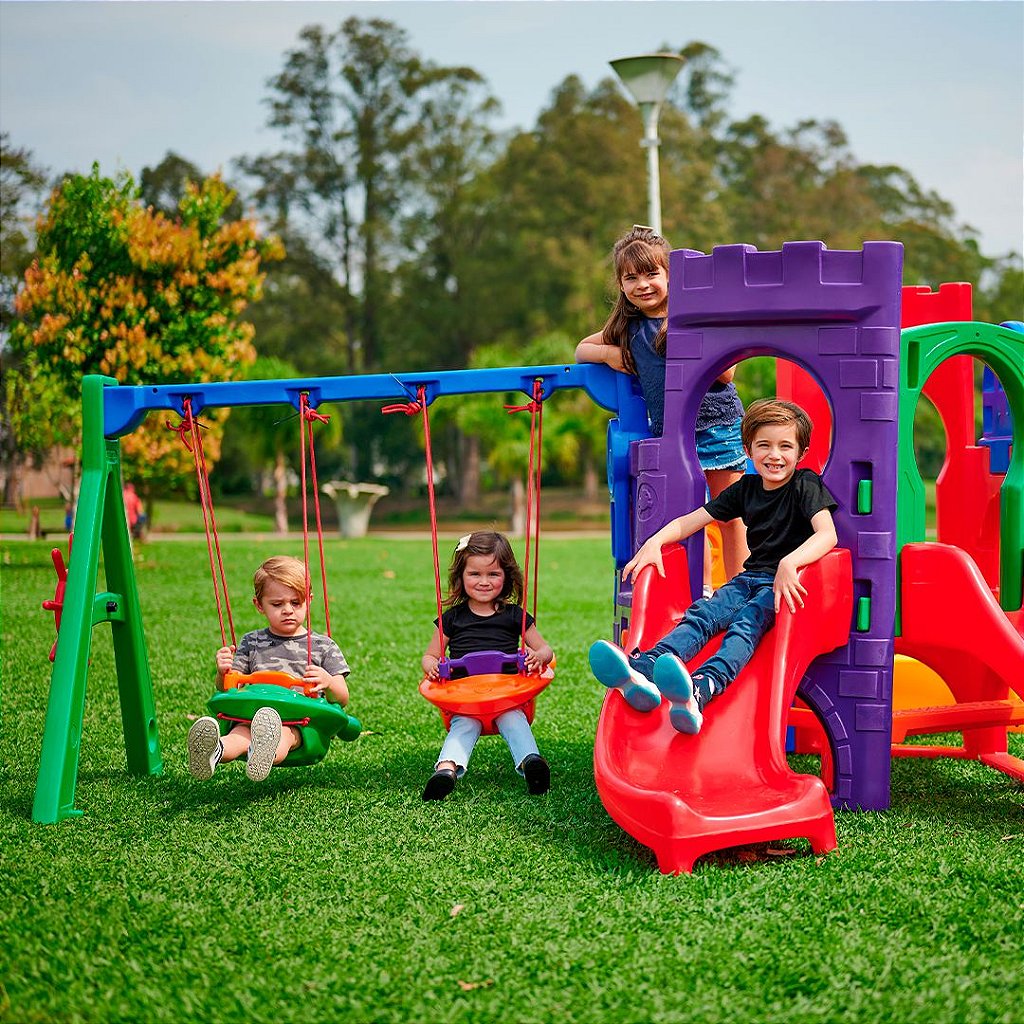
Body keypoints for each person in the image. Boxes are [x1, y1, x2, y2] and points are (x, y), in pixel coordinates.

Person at [588, 399, 838, 735]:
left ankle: (701, 688)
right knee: (704, 614)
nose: (774, 455)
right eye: (764, 445)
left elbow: (828, 534)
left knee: (745, 626)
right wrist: (655, 542)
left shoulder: (805, 484)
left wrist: (791, 562)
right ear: (748, 450)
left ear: (801, 452)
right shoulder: (746, 489)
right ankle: (644, 669)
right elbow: (693, 520)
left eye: (785, 446)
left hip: (785, 590)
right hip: (750, 579)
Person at [575, 225, 749, 594]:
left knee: (730, 512)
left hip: (718, 424)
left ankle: (738, 587)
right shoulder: (628, 326)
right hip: (671, 432)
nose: (643, 285)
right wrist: (610, 353)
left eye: (652, 274)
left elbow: (728, 372)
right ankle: (698, 590)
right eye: (631, 277)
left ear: (671, 275)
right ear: (621, 285)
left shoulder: (693, 317)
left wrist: (694, 340)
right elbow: (581, 350)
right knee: (688, 514)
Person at [187, 555, 350, 782]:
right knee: (239, 734)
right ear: (259, 605)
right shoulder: (251, 642)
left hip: (300, 721)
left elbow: (342, 698)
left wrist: (329, 682)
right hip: (254, 713)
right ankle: (214, 751)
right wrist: (222, 672)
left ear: (309, 600)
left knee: (282, 734)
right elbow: (229, 687)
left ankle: (263, 753)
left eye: (296, 602)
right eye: (277, 604)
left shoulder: (323, 646)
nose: (287, 610)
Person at [421, 531, 554, 801]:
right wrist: (433, 666)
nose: (484, 582)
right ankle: (446, 770)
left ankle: (531, 764)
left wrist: (538, 657)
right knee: (464, 725)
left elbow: (545, 650)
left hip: (506, 696)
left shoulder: (515, 615)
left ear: (506, 577)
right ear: (461, 576)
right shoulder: (452, 619)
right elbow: (430, 655)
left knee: (514, 719)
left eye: (493, 574)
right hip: (464, 700)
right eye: (475, 574)